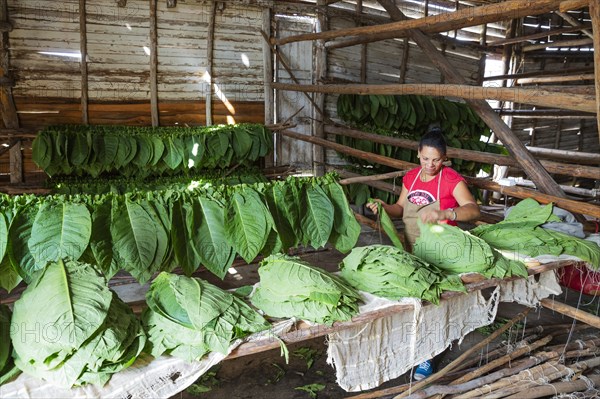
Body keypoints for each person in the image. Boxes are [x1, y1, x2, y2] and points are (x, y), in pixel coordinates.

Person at [366, 128, 481, 380]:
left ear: (445, 158)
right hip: (411, 249)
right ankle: (411, 348)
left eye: (436, 159)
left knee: (432, 305)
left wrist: (446, 214)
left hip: (440, 252)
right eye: (426, 158)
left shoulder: (451, 179)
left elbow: (473, 210)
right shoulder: (411, 178)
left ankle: (427, 357)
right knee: (412, 304)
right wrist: (383, 207)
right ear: (418, 154)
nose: (430, 164)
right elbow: (399, 209)